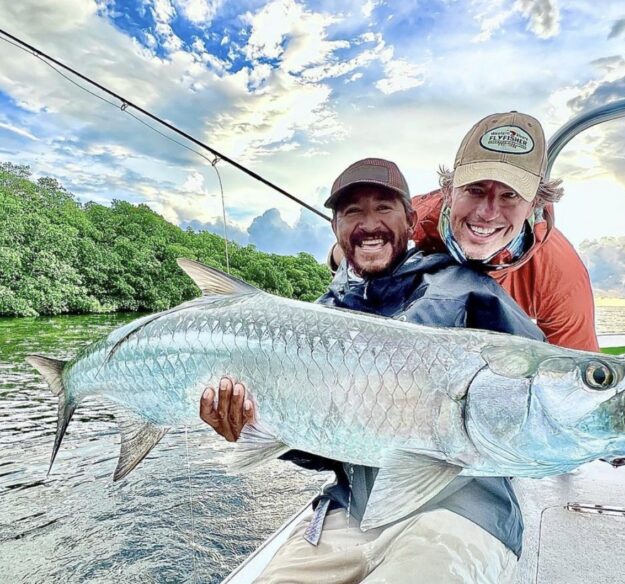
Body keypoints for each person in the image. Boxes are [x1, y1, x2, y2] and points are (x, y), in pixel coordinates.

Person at [200, 157, 545, 583]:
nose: (369, 224)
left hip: (461, 512)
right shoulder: (319, 317)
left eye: (383, 208)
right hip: (352, 512)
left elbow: (539, 387)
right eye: (352, 212)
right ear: (335, 228)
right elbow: (324, 445)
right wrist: (255, 425)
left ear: (411, 220)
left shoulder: (470, 290)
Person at [330, 111, 598, 351]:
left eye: (510, 195)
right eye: (474, 190)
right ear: (448, 191)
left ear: (534, 204)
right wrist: (337, 257)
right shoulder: (416, 217)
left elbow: (570, 371)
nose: (488, 212)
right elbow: (363, 241)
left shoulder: (561, 276)